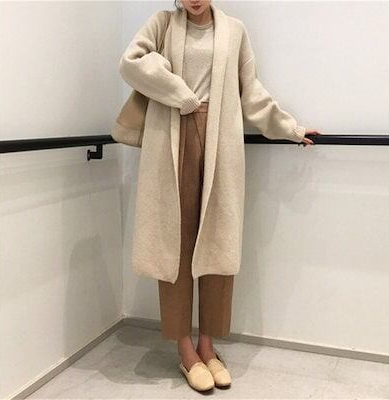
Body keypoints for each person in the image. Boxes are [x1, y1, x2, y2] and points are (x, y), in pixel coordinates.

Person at [119, 0, 320, 392]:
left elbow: (251, 91)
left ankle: (208, 346)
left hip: (220, 142)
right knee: (175, 246)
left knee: (218, 242)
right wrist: (180, 93)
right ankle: (185, 350)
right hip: (173, 139)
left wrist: (291, 129)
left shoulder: (234, 31)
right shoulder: (162, 23)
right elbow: (130, 63)